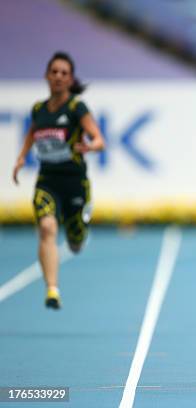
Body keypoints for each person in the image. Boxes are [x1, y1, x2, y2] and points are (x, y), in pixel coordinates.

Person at [12, 51, 105, 309]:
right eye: (54, 72)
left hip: (74, 183)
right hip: (47, 182)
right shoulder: (39, 109)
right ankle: (52, 289)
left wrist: (91, 146)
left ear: (70, 78)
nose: (58, 77)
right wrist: (21, 158)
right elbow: (32, 133)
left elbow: (98, 138)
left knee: (75, 244)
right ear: (46, 76)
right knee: (47, 229)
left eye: (64, 73)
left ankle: (79, 229)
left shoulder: (77, 108)